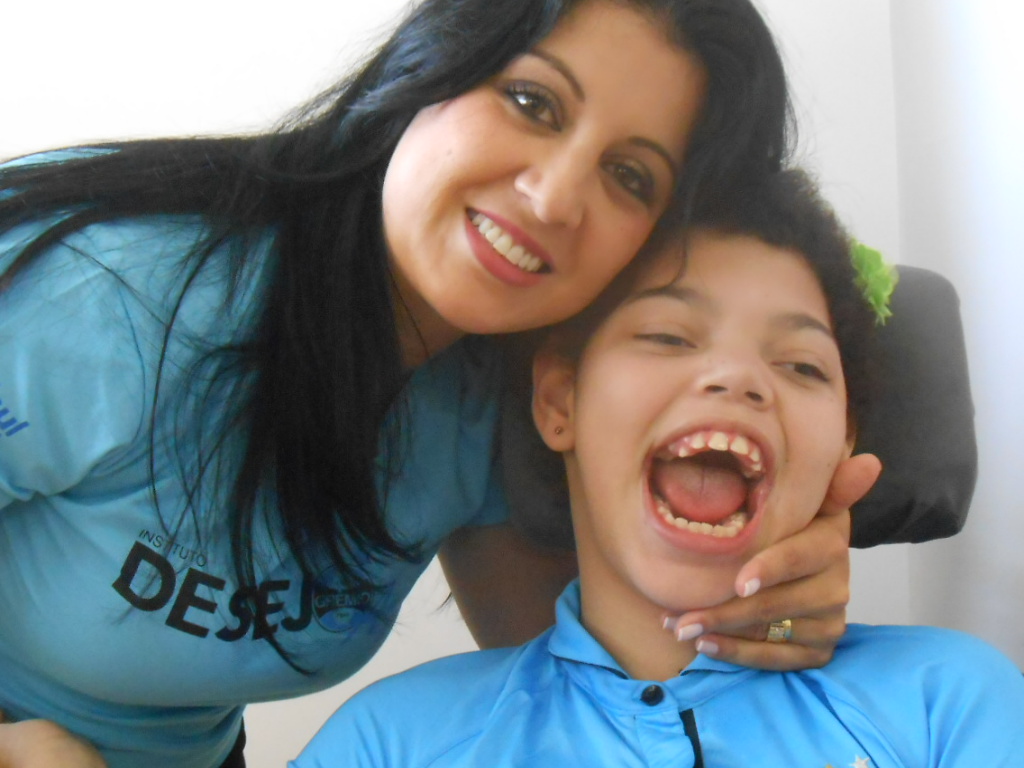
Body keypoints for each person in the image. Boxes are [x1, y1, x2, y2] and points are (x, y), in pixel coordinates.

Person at [0, 0, 907, 765]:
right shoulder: (101, 300)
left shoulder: (494, 392)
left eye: (629, 176)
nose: (554, 197)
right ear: (428, 66)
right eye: (532, 101)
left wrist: (759, 598)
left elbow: (584, 676)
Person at [291, 169, 1024, 767]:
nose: (739, 378)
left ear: (843, 442)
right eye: (670, 336)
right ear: (558, 399)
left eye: (800, 364)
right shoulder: (391, 744)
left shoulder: (946, 702)